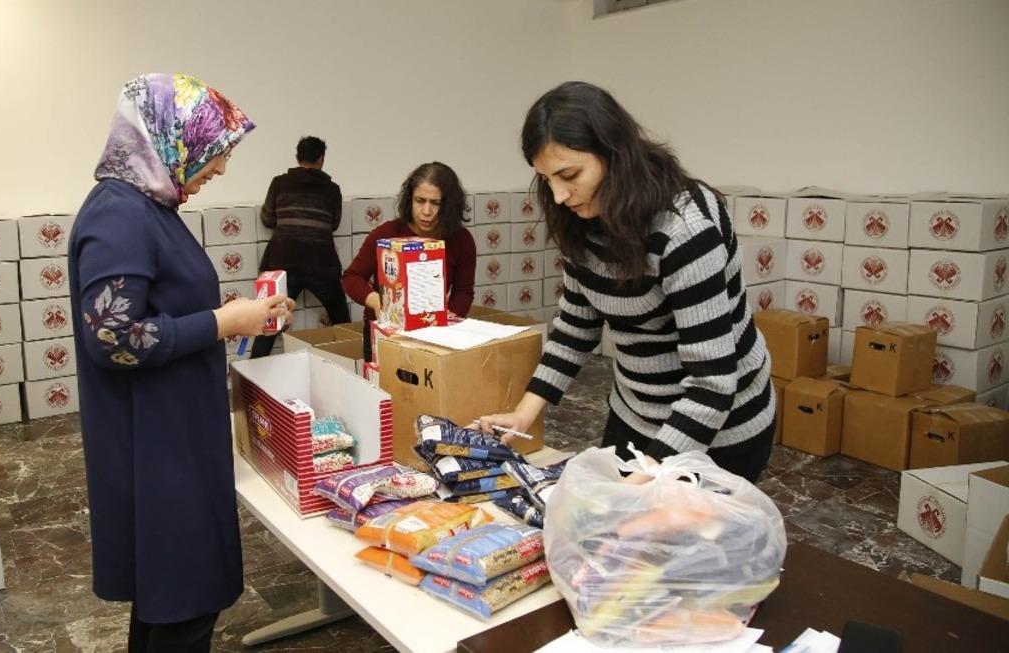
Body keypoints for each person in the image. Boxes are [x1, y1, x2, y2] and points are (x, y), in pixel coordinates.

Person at [68, 73, 292, 652]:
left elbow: (158, 306)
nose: (219, 170)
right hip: (158, 450)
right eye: (213, 155)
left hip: (174, 434)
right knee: (186, 600)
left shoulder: (149, 205)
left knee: (170, 604)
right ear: (170, 137)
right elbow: (113, 337)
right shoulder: (119, 213)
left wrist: (227, 310)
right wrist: (222, 324)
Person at [477, 82, 774, 483]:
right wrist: (522, 415)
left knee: (666, 538)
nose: (560, 195)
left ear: (614, 153)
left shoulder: (686, 228)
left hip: (720, 432)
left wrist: (636, 486)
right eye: (546, 179)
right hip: (636, 414)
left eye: (569, 174)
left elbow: (712, 383)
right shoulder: (582, 219)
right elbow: (575, 329)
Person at [342, 162, 477, 361]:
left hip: (434, 336)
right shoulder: (387, 234)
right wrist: (379, 303)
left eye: (436, 203)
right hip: (385, 335)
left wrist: (445, 319)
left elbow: (463, 292)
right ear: (409, 199)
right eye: (420, 201)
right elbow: (351, 278)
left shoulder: (462, 240)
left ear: (449, 205)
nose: (426, 211)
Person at [251, 136, 349, 357]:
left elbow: (267, 218)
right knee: (342, 321)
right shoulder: (332, 190)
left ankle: (251, 378)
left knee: (269, 323)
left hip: (283, 261)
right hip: (321, 263)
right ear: (321, 159)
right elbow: (334, 223)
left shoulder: (279, 183)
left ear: (297, 157)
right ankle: (355, 365)